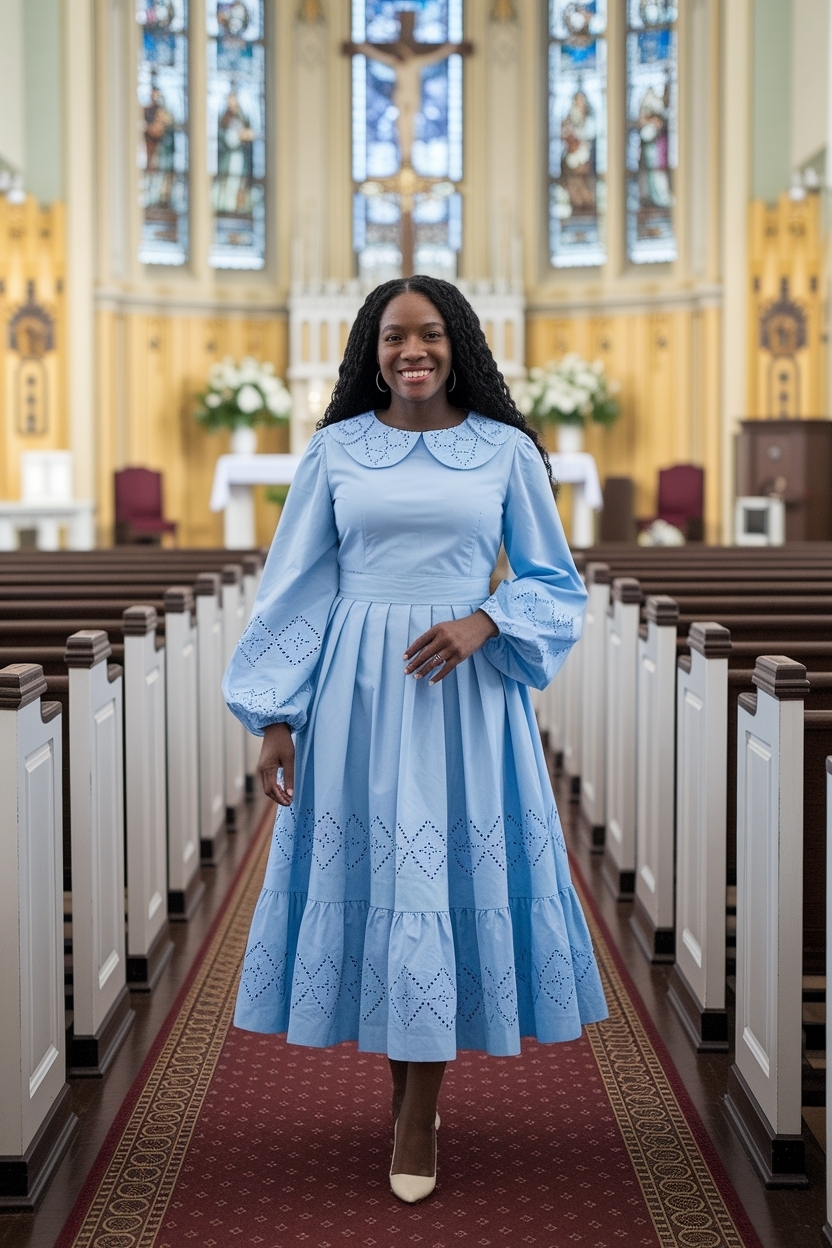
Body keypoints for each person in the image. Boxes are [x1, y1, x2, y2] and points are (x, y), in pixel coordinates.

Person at [223, 275, 608, 1205]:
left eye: (430, 335)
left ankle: (412, 1112)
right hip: (359, 693)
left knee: (438, 879)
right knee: (382, 883)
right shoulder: (335, 452)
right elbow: (295, 588)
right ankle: (409, 1095)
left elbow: (556, 583)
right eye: (395, 337)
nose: (413, 352)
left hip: (465, 697)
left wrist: (485, 619)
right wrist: (277, 716)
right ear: (371, 348)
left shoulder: (506, 451)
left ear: (459, 343)